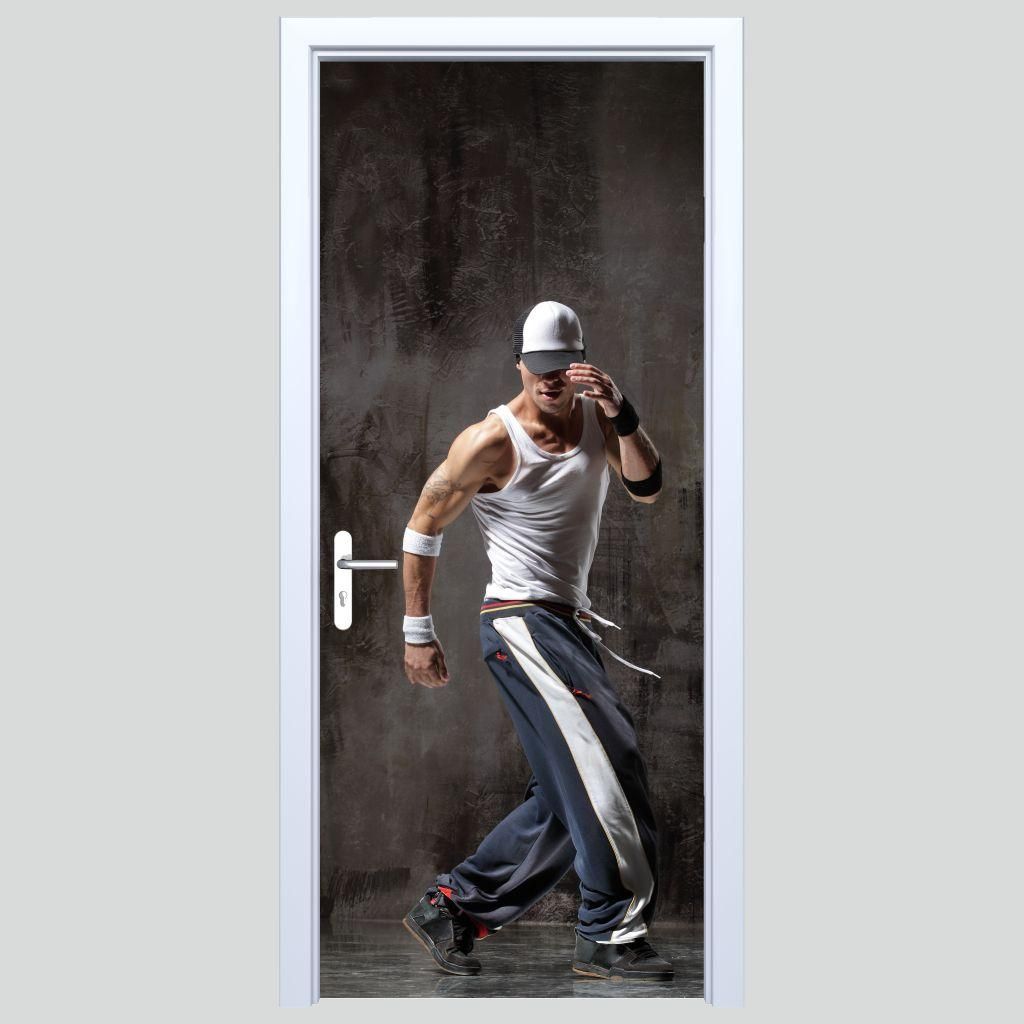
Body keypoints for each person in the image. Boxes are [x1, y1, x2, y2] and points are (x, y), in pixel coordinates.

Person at [400, 300, 671, 982]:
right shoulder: (489, 441)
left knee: (566, 792)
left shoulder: (597, 420)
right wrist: (417, 631)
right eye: (539, 366)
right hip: (519, 621)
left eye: (563, 367)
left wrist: (621, 412)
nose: (550, 379)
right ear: (519, 363)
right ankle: (608, 933)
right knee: (611, 762)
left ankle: (452, 909)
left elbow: (647, 486)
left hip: (567, 624)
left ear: (581, 364)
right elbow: (423, 524)